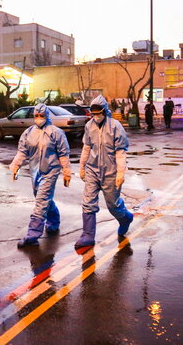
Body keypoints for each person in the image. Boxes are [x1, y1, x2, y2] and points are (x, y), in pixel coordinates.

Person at [9, 103, 72, 248]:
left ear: (47, 116)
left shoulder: (55, 132)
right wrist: (15, 166)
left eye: (41, 115)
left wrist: (66, 173)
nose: (39, 118)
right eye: (36, 115)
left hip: (51, 171)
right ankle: (54, 221)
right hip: (35, 171)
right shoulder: (29, 132)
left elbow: (63, 154)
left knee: (41, 200)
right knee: (42, 198)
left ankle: (32, 234)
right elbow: (22, 151)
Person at [75, 95, 134, 248]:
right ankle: (88, 235)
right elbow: (87, 147)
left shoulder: (115, 126)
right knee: (88, 202)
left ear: (105, 111)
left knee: (112, 204)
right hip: (92, 170)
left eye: (98, 113)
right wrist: (82, 167)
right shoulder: (89, 126)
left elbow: (120, 151)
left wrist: (120, 172)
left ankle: (125, 218)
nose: (96, 116)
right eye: (93, 113)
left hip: (110, 171)